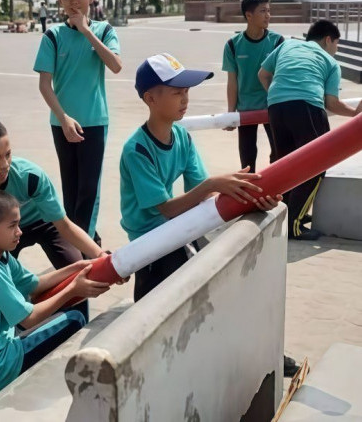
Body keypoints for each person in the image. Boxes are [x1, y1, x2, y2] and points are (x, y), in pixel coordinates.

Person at [121, 53, 282, 302]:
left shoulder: (182, 137)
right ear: (150, 99)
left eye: (186, 91)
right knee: (162, 300)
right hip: (148, 240)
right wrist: (213, 184)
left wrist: (251, 197)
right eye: (177, 92)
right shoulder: (137, 150)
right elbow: (167, 208)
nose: (185, 99)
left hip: (174, 227)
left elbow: (207, 194)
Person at [0, 114, 111, 321]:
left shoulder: (30, 175)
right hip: (0, 231)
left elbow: (64, 226)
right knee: (7, 286)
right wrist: (7, 276)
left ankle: (76, 323)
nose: (5, 164)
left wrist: (100, 255)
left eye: (8, 154)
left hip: (44, 222)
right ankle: (16, 330)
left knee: (77, 271)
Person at [0, 189, 109, 412]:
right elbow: (29, 319)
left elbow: (34, 284)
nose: (20, 231)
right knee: (74, 318)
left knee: (35, 317)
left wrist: (76, 267)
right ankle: (15, 391)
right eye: (12, 226)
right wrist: (73, 289)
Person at [33, 0, 122, 251]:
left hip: (94, 121)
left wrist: (86, 31)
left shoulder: (104, 31)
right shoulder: (52, 36)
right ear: (59, 1)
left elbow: (116, 65)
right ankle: (83, 244)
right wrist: (63, 118)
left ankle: (86, 250)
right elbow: (45, 84)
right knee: (71, 188)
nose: (74, 2)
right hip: (61, 123)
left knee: (88, 190)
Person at [259, 19, 362, 241]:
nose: (336, 50)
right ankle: (294, 225)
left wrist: (279, 95)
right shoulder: (330, 62)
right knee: (315, 166)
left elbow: (263, 74)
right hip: (307, 107)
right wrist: (356, 115)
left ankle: (286, 214)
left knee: (286, 163)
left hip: (276, 107)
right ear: (328, 39)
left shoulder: (287, 45)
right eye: (337, 44)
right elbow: (332, 103)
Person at [222, 0, 284, 173]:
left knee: (279, 153)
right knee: (247, 158)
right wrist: (231, 113)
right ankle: (249, 189)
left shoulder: (277, 42)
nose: (268, 16)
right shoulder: (233, 45)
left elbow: (281, 76)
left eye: (269, 11)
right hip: (246, 108)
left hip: (272, 107)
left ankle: (275, 184)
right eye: (263, 11)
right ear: (249, 15)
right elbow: (232, 81)